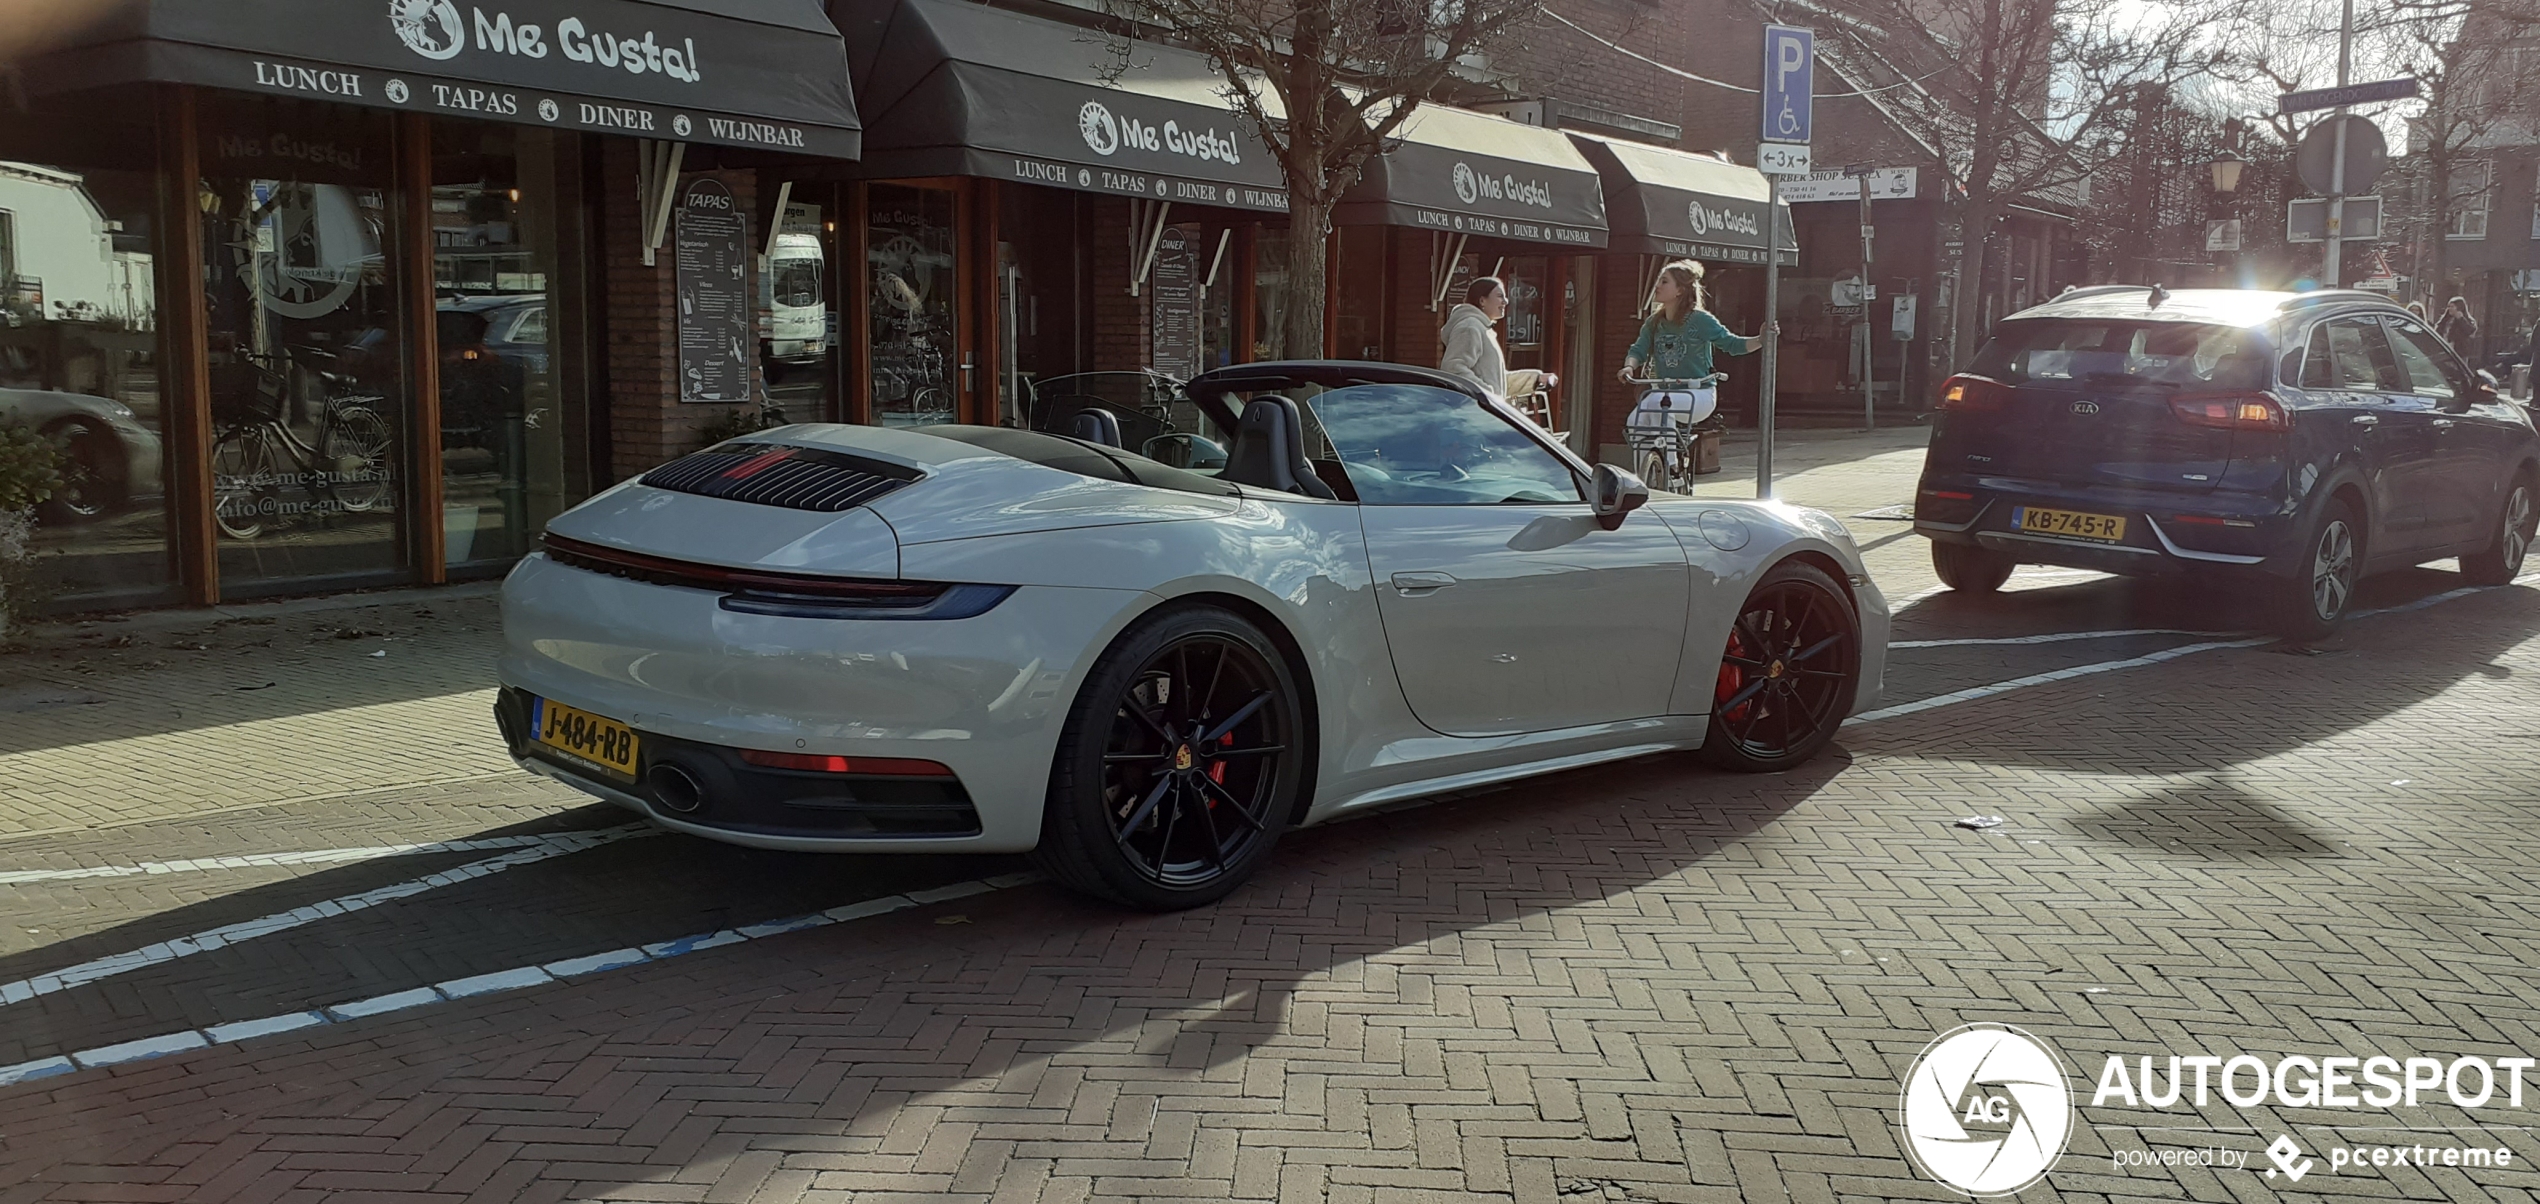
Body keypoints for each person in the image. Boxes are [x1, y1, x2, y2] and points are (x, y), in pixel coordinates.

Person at [1617, 259, 1771, 388]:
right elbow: (1638, 350)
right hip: (1665, 392)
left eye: (1664, 282)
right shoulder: (1654, 322)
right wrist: (1629, 367)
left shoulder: (1700, 320)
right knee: (1637, 420)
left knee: (1660, 410)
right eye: (1658, 281)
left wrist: (1761, 340)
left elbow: (1732, 344)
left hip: (1698, 392)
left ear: (1680, 291)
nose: (1657, 286)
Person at [1438, 276, 1556, 398]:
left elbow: (1496, 381)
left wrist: (1536, 379)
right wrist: (1488, 395)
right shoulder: (1469, 327)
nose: (1506, 301)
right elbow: (1453, 370)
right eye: (1500, 296)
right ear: (1482, 300)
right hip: (1476, 414)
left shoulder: (1482, 328)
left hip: (1482, 412)